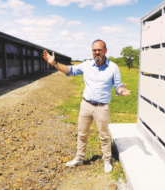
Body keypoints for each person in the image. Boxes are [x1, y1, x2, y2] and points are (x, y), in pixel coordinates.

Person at [43, 39, 131, 173]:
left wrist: (121, 91)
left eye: (99, 50)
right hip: (86, 105)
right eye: (94, 50)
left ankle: (107, 160)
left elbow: (118, 85)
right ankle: (79, 157)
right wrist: (54, 63)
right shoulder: (86, 65)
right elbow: (69, 70)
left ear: (105, 51)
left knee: (104, 136)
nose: (96, 52)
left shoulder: (113, 67)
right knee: (82, 134)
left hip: (102, 108)